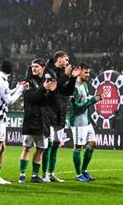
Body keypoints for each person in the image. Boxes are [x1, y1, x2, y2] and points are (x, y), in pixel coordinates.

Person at [42, 51, 82, 182]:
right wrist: (66, 75)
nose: (67, 61)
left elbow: (67, 91)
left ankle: (51, 173)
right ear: (58, 59)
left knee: (56, 143)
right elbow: (53, 87)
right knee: (47, 144)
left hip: (60, 111)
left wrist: (73, 78)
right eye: (66, 59)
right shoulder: (48, 71)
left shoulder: (62, 72)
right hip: (49, 111)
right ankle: (43, 174)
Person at [0, 60, 26, 185]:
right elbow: (9, 101)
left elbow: (4, 93)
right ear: (11, 70)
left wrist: (17, 87)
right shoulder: (3, 82)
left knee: (2, 147)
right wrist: (20, 91)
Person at [18, 59, 57, 184]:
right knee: (27, 148)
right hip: (30, 120)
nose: (34, 68)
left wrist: (52, 92)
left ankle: (35, 175)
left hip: (43, 122)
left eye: (37, 66)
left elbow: (50, 102)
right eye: (33, 66)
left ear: (43, 68)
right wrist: (44, 88)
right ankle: (22, 174)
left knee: (40, 149)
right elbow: (31, 98)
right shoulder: (28, 81)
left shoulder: (47, 82)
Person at [69, 63, 102, 181]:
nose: (88, 75)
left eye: (88, 72)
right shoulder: (74, 87)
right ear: (79, 71)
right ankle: (78, 175)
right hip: (78, 122)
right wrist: (92, 101)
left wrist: (92, 98)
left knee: (92, 143)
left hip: (86, 121)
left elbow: (86, 99)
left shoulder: (84, 85)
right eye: (86, 72)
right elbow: (76, 107)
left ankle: (84, 170)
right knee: (78, 147)